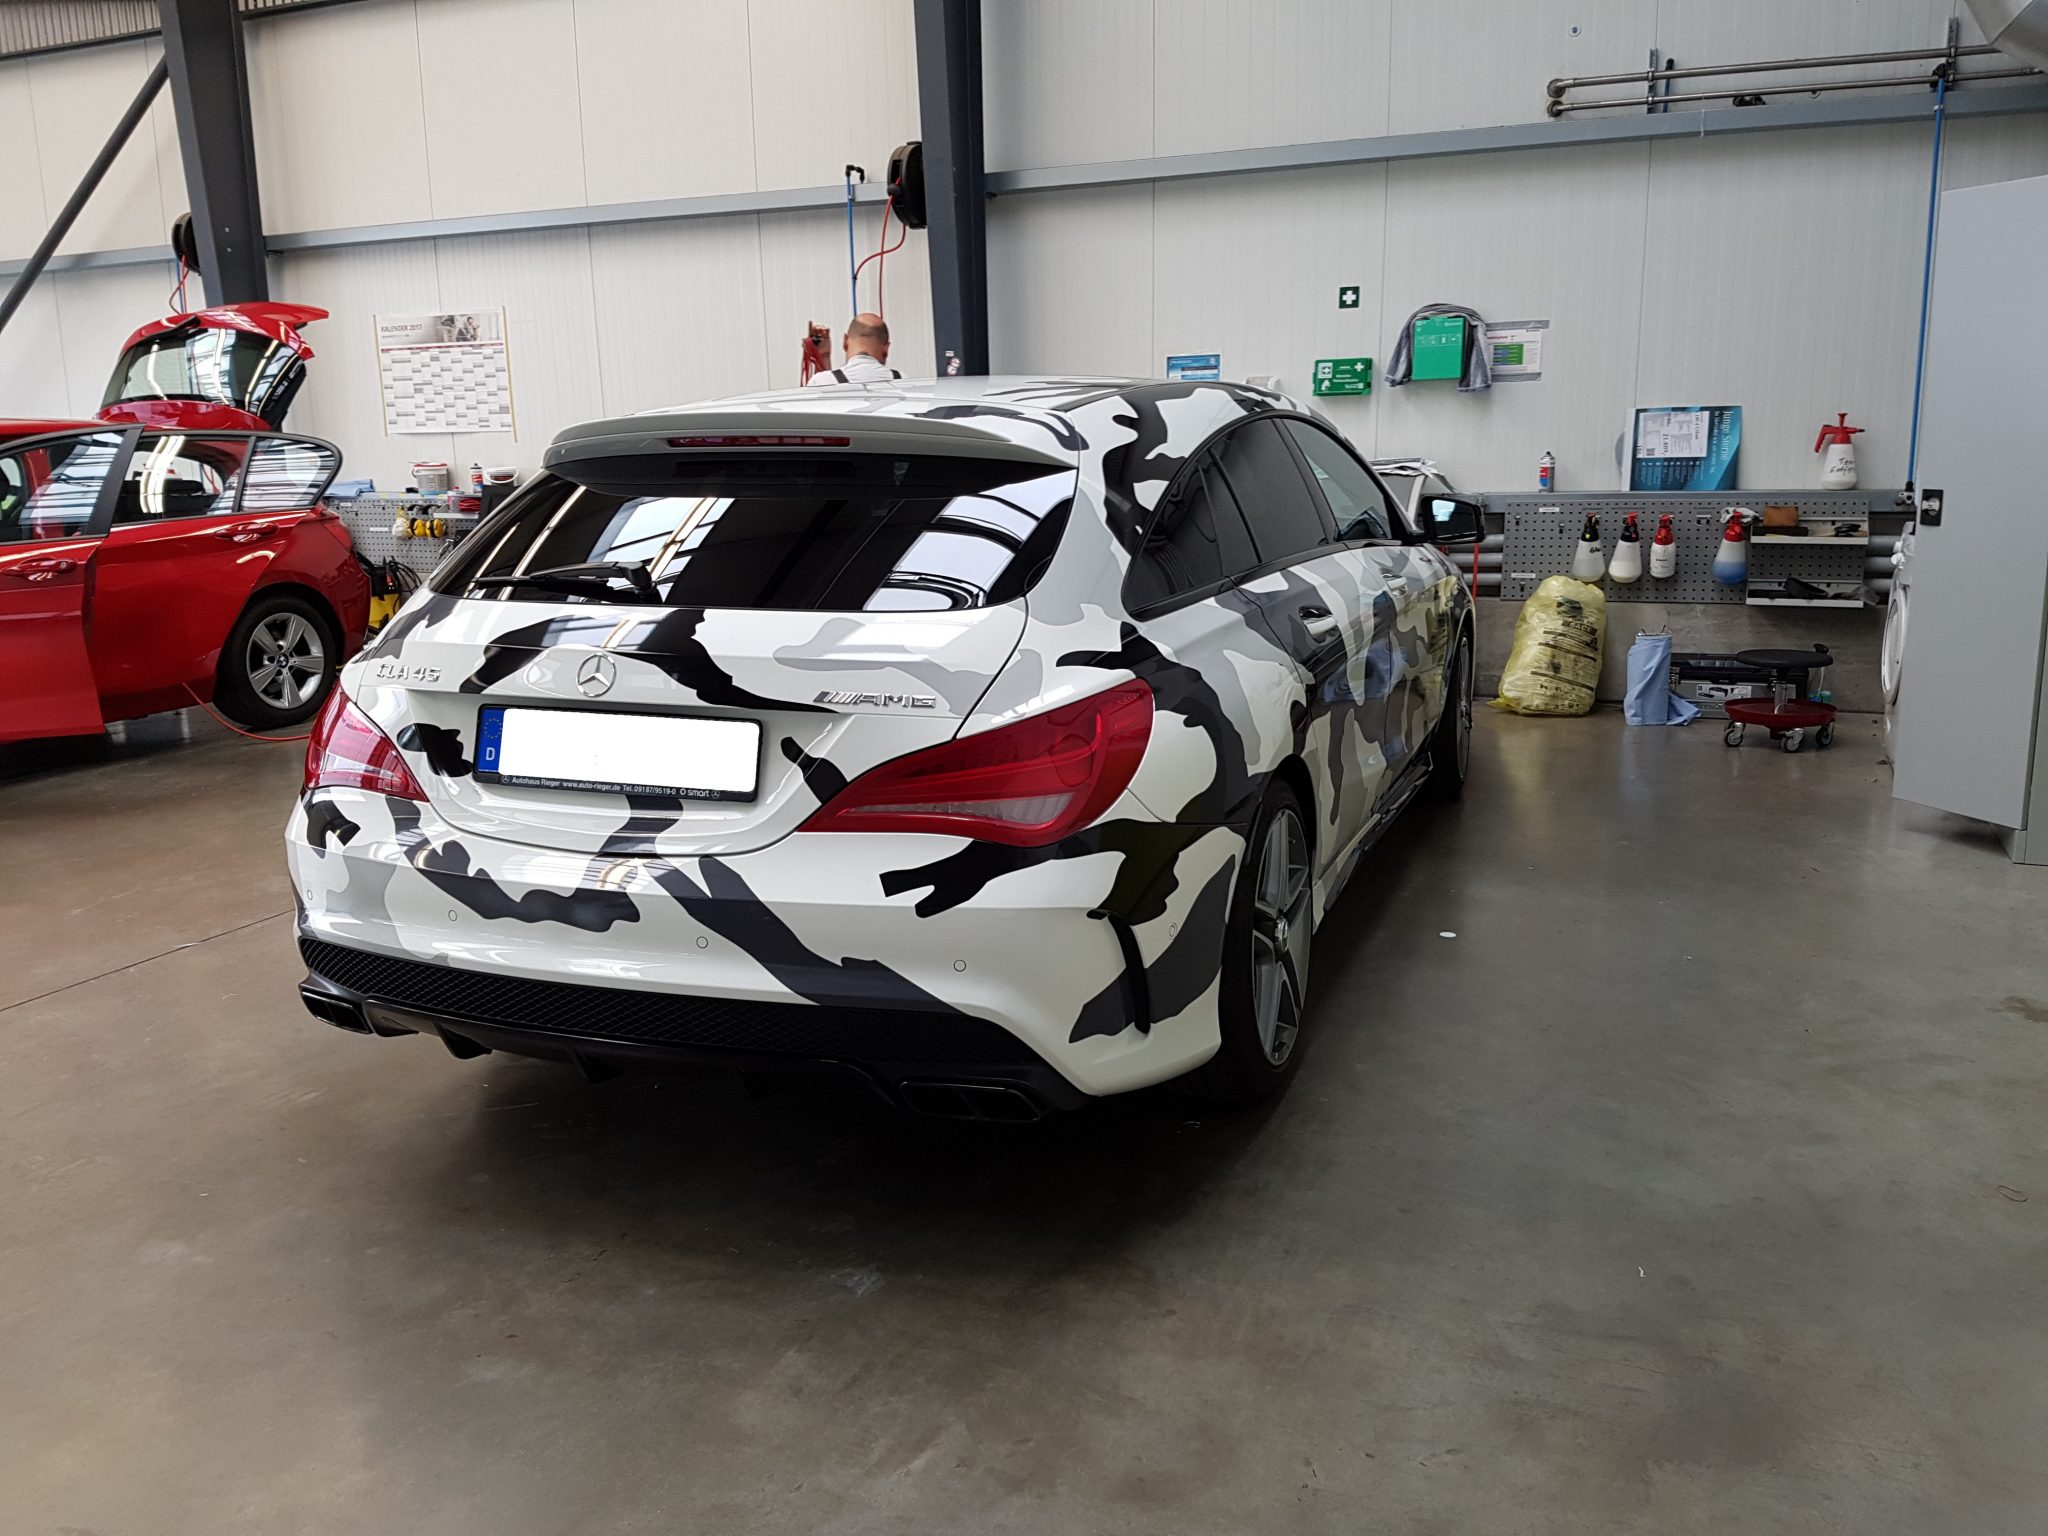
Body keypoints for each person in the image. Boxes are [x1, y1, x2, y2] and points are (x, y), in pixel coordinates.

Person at [807, 312, 900, 386]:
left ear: (845, 341)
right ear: (886, 349)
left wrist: (823, 357)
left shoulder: (821, 381)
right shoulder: (901, 381)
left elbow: (824, 392)